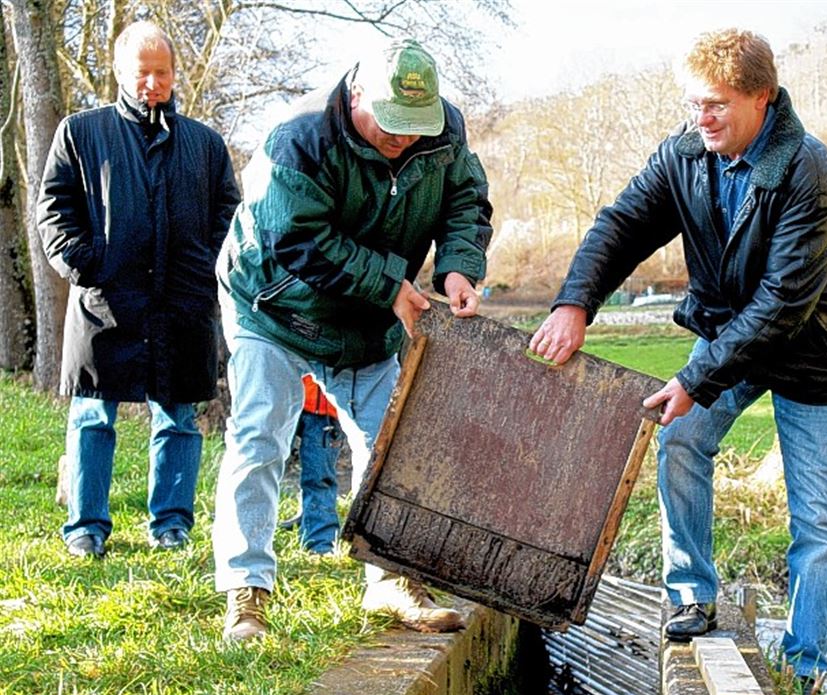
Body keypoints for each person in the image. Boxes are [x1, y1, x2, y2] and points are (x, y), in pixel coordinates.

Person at [530, 28, 827, 695]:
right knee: (679, 439)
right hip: (725, 337)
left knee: (816, 519)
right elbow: (620, 225)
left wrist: (693, 377)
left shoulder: (809, 171)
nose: (701, 118)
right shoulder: (684, 155)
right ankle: (692, 595)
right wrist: (575, 302)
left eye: (716, 104)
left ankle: (804, 670)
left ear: (761, 98)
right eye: (693, 104)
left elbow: (781, 307)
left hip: (811, 351)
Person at [213, 38, 492, 641]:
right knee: (260, 436)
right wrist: (390, 284)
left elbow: (464, 202)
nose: (402, 138)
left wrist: (458, 267)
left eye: (414, 127)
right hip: (274, 304)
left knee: (389, 444)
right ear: (357, 93)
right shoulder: (299, 140)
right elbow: (296, 240)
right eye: (390, 124)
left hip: (367, 317)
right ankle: (247, 592)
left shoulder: (444, 133)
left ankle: (389, 578)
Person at [37, 21, 240, 559]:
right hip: (106, 300)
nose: (152, 82)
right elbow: (53, 210)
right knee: (91, 413)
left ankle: (171, 524)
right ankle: (86, 527)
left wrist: (206, 271)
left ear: (175, 75)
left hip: (182, 302)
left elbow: (229, 216)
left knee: (179, 417)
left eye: (162, 72)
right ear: (121, 73)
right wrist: (87, 265)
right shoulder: (81, 132)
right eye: (142, 72)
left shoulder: (205, 143)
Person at [283, 374, 344, 555]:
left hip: (326, 407)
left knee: (319, 476)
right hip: (286, 398)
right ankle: (247, 530)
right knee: (261, 466)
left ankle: (320, 543)